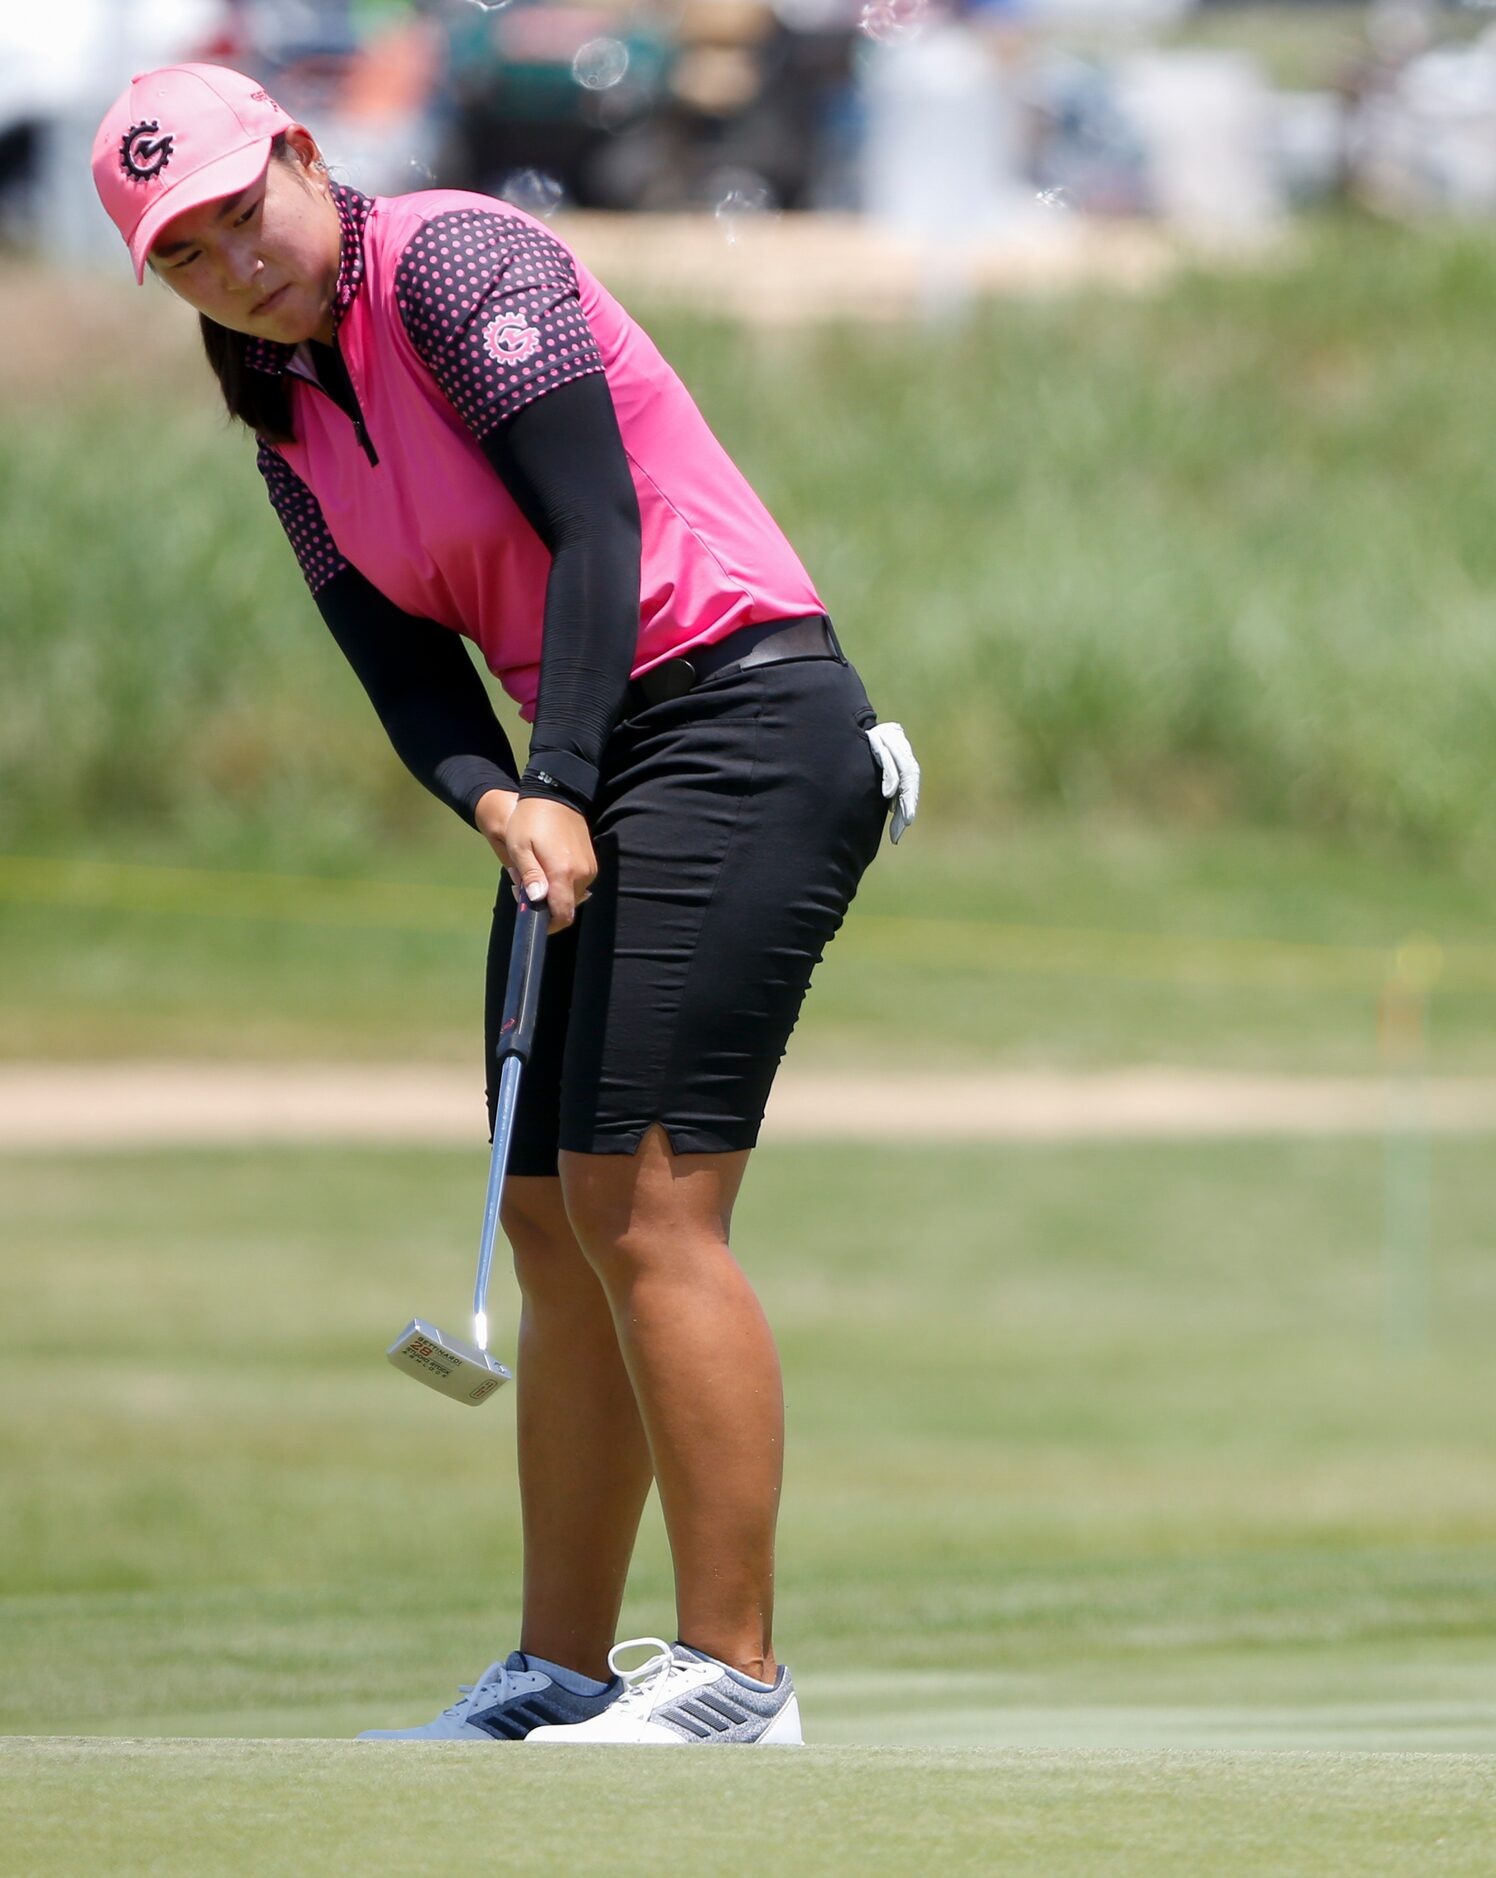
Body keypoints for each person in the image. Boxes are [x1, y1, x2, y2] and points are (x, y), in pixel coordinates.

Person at [92, 64, 919, 1745]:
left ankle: (735, 1677)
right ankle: (560, 1669)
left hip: (736, 714)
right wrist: (497, 795)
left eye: (244, 209)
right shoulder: (278, 401)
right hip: (576, 762)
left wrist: (560, 767)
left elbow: (596, 526)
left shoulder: (459, 266)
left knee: (643, 1203)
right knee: (546, 1216)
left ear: (306, 160)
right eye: (183, 253)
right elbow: (400, 666)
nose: (232, 261)